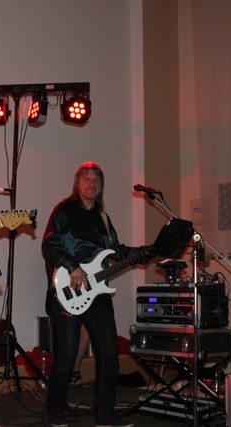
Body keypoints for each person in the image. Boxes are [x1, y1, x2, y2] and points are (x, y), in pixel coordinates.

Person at [42, 161, 150, 427]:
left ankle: (104, 412)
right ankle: (55, 408)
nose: (91, 184)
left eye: (96, 180)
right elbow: (49, 244)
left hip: (98, 293)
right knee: (66, 356)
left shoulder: (103, 218)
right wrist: (72, 266)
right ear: (77, 182)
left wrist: (146, 252)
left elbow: (116, 251)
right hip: (69, 290)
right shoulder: (64, 211)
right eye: (87, 179)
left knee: (109, 353)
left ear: (101, 187)